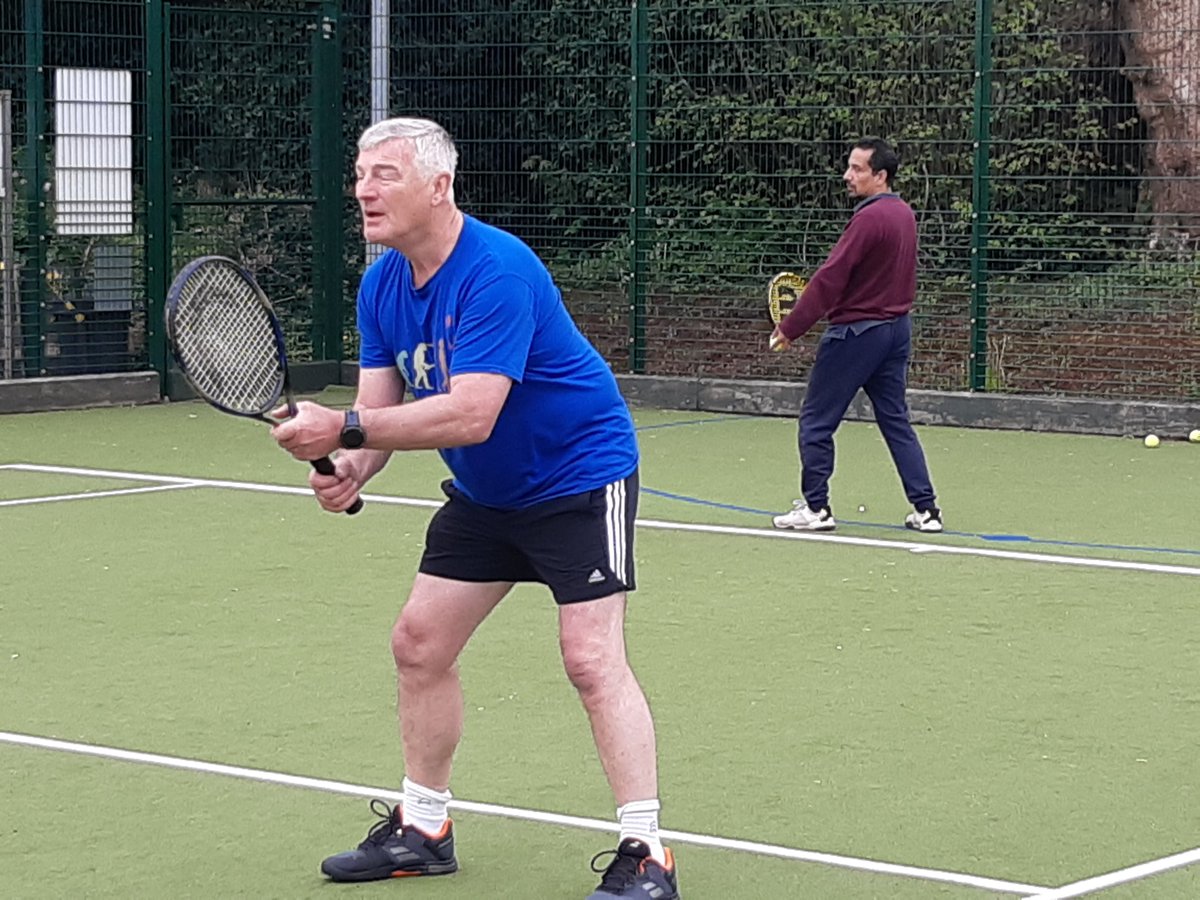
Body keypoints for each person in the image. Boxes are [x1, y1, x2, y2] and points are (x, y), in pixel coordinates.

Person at [269, 117, 679, 900]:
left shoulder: (498, 270)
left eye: (384, 174)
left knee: (590, 659)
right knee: (419, 643)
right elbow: (376, 413)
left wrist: (346, 429)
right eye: (359, 174)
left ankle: (648, 853)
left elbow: (470, 413)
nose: (362, 189)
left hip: (578, 478)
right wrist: (349, 465)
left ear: (439, 185)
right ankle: (424, 828)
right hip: (487, 493)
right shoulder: (382, 284)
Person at [769, 137, 942, 534]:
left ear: (880, 176)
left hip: (856, 335)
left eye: (858, 169)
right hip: (896, 332)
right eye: (849, 167)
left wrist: (791, 327)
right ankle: (927, 510)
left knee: (815, 421)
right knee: (896, 420)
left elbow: (831, 277)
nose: (848, 176)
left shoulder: (869, 219)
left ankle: (816, 508)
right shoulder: (904, 213)